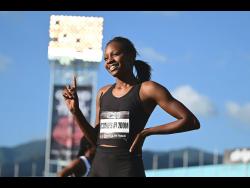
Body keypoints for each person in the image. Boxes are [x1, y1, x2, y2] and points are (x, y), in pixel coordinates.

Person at [62, 36, 200, 177]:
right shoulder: (103, 93)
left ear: (131, 56)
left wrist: (146, 133)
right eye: (105, 58)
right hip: (98, 170)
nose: (109, 60)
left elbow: (191, 121)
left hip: (127, 170)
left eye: (115, 54)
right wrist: (76, 112)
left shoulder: (147, 89)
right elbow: (97, 141)